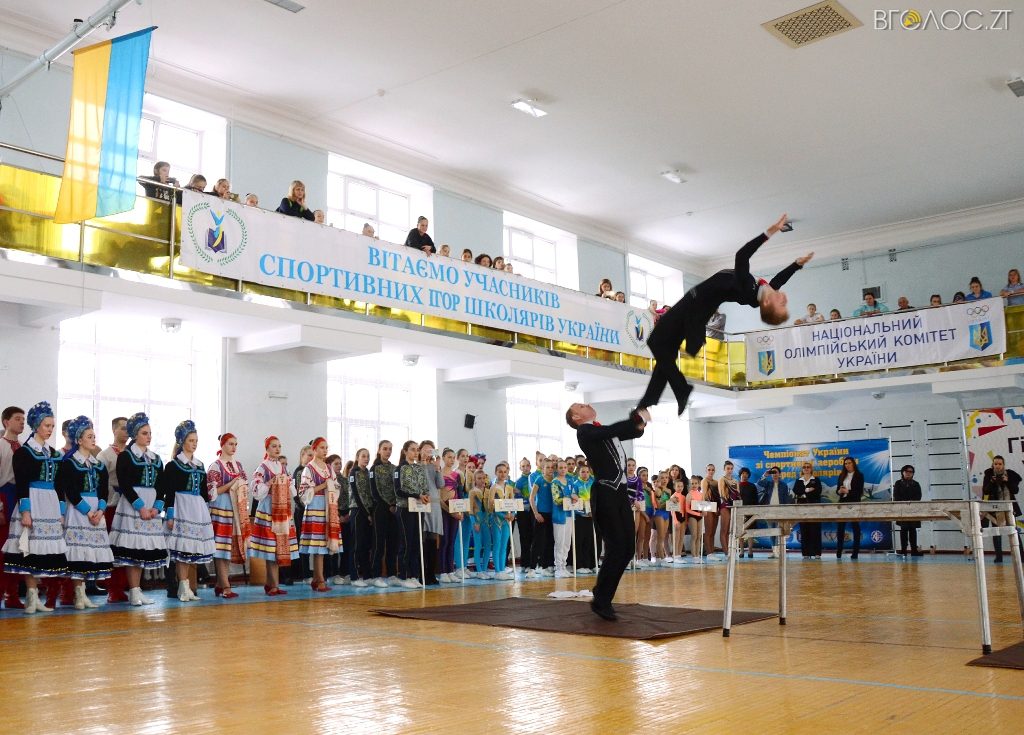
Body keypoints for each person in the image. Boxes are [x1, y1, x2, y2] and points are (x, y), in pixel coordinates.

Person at [637, 214, 809, 415]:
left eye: (782, 304)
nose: (785, 299)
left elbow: (742, 255)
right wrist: (797, 264)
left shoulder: (747, 288)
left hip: (695, 304)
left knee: (656, 342)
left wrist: (770, 231)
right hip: (699, 309)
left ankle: (679, 389)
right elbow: (779, 280)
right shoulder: (763, 293)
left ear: (768, 303)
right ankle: (649, 402)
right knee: (664, 351)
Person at [566, 402, 649, 620]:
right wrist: (634, 418)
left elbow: (631, 432)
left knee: (628, 548)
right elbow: (613, 430)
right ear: (576, 417)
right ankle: (601, 599)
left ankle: (602, 595)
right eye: (581, 406)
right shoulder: (585, 431)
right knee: (616, 547)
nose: (587, 404)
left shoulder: (600, 430)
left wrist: (639, 422)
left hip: (619, 494)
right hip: (605, 494)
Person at [2, 402, 68, 614]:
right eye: (47, 425)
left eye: (52, 426)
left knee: (42, 550)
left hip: (49, 503)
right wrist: (26, 511)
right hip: (33, 500)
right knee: (29, 548)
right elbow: (21, 484)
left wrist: (61, 510)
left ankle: (36, 597)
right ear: (36, 425)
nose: (50, 429)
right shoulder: (25, 452)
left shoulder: (54, 454)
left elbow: (59, 485)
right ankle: (31, 597)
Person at [110, 412, 167, 606]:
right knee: (133, 549)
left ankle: (137, 590)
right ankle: (133, 590)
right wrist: (141, 507)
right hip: (133, 506)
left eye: (150, 433)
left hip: (151, 508)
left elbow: (161, 486)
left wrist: (157, 507)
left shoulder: (156, 459)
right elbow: (125, 484)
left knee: (143, 548)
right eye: (144, 433)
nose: (148, 436)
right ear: (135, 434)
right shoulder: (126, 456)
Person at [58, 416, 114, 609]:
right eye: (89, 436)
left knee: (91, 552)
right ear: (79, 440)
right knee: (78, 552)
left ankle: (83, 594)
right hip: (79, 511)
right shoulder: (70, 462)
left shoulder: (98, 465)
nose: (93, 439)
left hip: (96, 511)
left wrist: (100, 510)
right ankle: (78, 594)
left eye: (94, 436)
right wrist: (88, 512)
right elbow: (70, 491)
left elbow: (104, 491)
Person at [162, 420, 215, 602]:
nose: (194, 444)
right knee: (181, 550)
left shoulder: (199, 465)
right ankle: (183, 587)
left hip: (196, 509)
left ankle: (186, 587)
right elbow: (169, 493)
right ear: (182, 441)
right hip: (182, 507)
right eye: (191, 440)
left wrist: (207, 508)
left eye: (196, 440)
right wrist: (170, 515)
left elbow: (204, 492)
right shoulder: (173, 465)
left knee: (191, 550)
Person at [248, 436, 298, 595]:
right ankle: (273, 584)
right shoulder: (263, 467)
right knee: (271, 548)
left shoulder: (282, 467)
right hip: (268, 509)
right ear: (267, 448)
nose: (277, 449)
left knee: (277, 547)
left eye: (279, 446)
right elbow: (256, 491)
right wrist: (270, 483)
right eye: (274, 446)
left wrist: (286, 483)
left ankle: (272, 584)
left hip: (281, 510)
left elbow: (292, 488)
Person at [207, 433, 249, 599]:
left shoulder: (238, 465)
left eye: (235, 444)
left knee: (228, 547)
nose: (234, 447)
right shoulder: (215, 466)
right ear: (223, 445)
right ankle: (225, 585)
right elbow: (212, 493)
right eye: (231, 444)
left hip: (235, 510)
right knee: (221, 547)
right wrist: (232, 483)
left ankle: (220, 584)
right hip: (221, 508)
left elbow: (244, 485)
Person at [299, 437, 342, 591]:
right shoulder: (309, 468)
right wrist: (324, 485)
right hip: (315, 507)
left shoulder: (329, 468)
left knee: (323, 544)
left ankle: (318, 578)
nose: (325, 450)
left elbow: (336, 486)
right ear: (315, 449)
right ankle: (320, 578)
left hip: (328, 507)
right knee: (317, 545)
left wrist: (333, 487)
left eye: (326, 448)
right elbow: (304, 492)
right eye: (322, 448)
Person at [95, 417, 128, 603]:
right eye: (122, 428)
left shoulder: (133, 453)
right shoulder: (105, 455)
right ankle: (112, 588)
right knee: (112, 547)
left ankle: (127, 585)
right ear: (114, 430)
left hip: (130, 506)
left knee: (126, 546)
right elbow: (99, 483)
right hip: (111, 505)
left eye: (128, 428)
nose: (126, 432)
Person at [0, 406, 26, 609]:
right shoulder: (1, 445)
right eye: (17, 418)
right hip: (4, 496)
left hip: (20, 498)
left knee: (18, 548)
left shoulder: (24, 448)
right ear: (6, 422)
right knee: (2, 547)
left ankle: (12, 594)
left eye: (23, 419)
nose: (22, 422)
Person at [396, 440, 429, 587]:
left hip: (419, 509)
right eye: (412, 449)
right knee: (406, 542)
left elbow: (424, 487)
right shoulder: (399, 468)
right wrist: (417, 495)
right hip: (405, 509)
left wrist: (425, 495)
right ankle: (403, 576)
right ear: (405, 451)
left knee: (417, 542)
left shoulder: (419, 468)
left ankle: (414, 575)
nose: (415, 452)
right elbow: (399, 490)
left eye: (417, 450)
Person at [370, 440, 402, 586]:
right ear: (379, 450)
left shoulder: (394, 468)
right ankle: (375, 575)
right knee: (378, 544)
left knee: (393, 543)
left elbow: (398, 488)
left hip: (394, 510)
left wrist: (394, 505)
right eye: (385, 449)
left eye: (390, 449)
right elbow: (374, 491)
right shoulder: (374, 469)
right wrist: (388, 506)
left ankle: (392, 574)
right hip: (380, 509)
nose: (388, 451)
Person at [981, 455, 1021, 564]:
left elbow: (1015, 490)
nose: (998, 466)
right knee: (996, 532)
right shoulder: (989, 475)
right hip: (994, 508)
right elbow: (985, 491)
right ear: (992, 465)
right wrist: (992, 482)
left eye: (1000, 464)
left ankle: (1021, 556)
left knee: (1014, 531)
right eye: (995, 464)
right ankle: (999, 557)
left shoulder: (1010, 475)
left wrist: (1007, 481)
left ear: (1003, 465)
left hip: (1009, 508)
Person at [347, 448, 375, 587]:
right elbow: (357, 496)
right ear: (357, 457)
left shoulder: (368, 472)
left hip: (368, 511)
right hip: (358, 511)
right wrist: (366, 514)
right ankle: (354, 576)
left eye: (368, 456)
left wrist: (371, 512)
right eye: (363, 456)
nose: (366, 459)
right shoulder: (354, 472)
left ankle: (367, 575)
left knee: (365, 545)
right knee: (356, 545)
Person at [528, 457, 556, 577]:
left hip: (552, 515)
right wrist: (536, 513)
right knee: (538, 542)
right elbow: (531, 498)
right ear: (542, 469)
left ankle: (545, 566)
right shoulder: (539, 479)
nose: (550, 469)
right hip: (541, 515)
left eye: (552, 467)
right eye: (547, 467)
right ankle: (532, 568)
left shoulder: (555, 480)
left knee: (550, 541)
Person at [757, 466, 791, 557]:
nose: (774, 474)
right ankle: (774, 551)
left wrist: (786, 511)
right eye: (773, 473)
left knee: (779, 531)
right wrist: (765, 475)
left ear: (779, 474)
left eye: (776, 472)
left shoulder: (784, 485)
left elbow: (786, 499)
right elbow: (759, 483)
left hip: (780, 511)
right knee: (772, 531)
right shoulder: (768, 483)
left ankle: (779, 551)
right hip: (769, 510)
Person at [835, 456, 864, 560]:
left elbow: (859, 491)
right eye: (845, 463)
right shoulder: (842, 475)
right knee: (840, 528)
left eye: (849, 463)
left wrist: (848, 491)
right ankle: (839, 551)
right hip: (843, 502)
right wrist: (839, 491)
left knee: (855, 527)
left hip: (854, 502)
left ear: (853, 464)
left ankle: (855, 552)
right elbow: (837, 490)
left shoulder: (859, 475)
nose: (847, 465)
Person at [792, 461, 822, 559]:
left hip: (814, 508)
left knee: (815, 530)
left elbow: (818, 492)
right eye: (804, 467)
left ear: (811, 469)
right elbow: (796, 491)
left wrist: (804, 493)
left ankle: (817, 553)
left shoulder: (816, 480)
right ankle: (806, 553)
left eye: (808, 467)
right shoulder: (798, 481)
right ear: (802, 469)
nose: (806, 468)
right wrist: (808, 490)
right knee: (804, 530)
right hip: (802, 508)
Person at [490, 462, 515, 580]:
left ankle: (502, 569)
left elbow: (513, 503)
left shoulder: (509, 487)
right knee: (497, 544)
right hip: (497, 519)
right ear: (496, 473)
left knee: (504, 545)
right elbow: (491, 506)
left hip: (507, 520)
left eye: (505, 472)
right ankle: (497, 571)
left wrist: (513, 514)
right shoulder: (493, 487)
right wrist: (502, 515)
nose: (503, 474)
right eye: (500, 471)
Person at [892, 464, 923, 556]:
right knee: (903, 529)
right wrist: (905, 503)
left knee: (913, 530)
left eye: (911, 472)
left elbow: (918, 496)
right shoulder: (898, 483)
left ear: (913, 473)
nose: (908, 473)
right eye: (906, 471)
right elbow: (896, 496)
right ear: (902, 472)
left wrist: (910, 503)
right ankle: (903, 550)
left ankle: (914, 550)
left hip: (913, 510)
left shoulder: (916, 484)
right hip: (902, 510)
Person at [572, 462, 597, 573]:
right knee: (579, 541)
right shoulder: (575, 484)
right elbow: (573, 498)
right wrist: (577, 499)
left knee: (589, 541)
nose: (585, 474)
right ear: (578, 473)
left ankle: (588, 564)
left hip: (591, 516)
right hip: (579, 516)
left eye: (587, 472)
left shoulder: (592, 483)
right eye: (583, 472)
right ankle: (579, 565)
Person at [550, 459, 573, 578]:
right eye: (561, 467)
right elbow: (556, 499)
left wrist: (575, 497)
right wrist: (569, 498)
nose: (563, 469)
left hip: (569, 515)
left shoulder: (570, 481)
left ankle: (564, 566)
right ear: (556, 469)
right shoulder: (555, 482)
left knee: (567, 543)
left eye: (565, 467)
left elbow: (575, 494)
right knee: (560, 542)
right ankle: (558, 567)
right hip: (559, 516)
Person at [514, 457, 534, 572]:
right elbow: (517, 498)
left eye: (527, 465)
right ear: (520, 468)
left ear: (530, 466)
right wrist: (521, 495)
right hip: (522, 513)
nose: (525, 468)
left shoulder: (534, 478)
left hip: (533, 511)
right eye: (523, 466)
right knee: (524, 538)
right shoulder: (519, 481)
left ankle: (532, 563)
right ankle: (524, 563)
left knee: (533, 537)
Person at [717, 461, 740, 556]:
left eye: (731, 468)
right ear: (724, 469)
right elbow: (722, 494)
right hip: (725, 506)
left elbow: (738, 494)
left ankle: (730, 550)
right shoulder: (722, 480)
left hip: (733, 506)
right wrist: (729, 504)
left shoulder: (735, 481)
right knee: (724, 530)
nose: (730, 470)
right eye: (728, 468)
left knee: (730, 531)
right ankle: (726, 552)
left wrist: (738, 504)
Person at [737, 467, 759, 558]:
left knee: (751, 531)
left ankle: (750, 550)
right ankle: (741, 550)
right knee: (740, 531)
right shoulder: (736, 486)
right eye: (743, 473)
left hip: (751, 511)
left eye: (746, 474)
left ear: (748, 475)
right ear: (740, 475)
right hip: (739, 511)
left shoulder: (752, 486)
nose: (744, 475)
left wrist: (755, 511)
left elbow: (756, 499)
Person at [700, 464, 720, 557]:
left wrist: (718, 508)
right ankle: (709, 553)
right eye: (709, 469)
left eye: (712, 470)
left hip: (715, 507)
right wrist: (713, 509)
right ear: (706, 470)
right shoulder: (704, 481)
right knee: (708, 531)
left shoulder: (716, 482)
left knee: (713, 532)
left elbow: (718, 497)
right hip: (707, 507)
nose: (711, 471)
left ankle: (712, 552)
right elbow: (705, 496)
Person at [684, 475, 704, 558]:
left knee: (699, 536)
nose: (694, 485)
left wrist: (705, 511)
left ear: (699, 484)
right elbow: (687, 509)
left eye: (696, 483)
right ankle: (694, 556)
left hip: (700, 516)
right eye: (692, 483)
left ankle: (698, 554)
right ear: (690, 485)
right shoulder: (689, 495)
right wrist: (698, 514)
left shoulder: (701, 494)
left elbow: (703, 506)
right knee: (694, 536)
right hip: (692, 516)